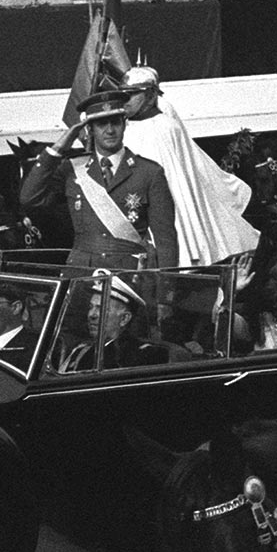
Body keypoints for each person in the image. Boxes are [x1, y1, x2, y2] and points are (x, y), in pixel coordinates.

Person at [20, 89, 178, 272]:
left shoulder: (149, 172)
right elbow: (29, 199)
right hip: (82, 276)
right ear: (90, 129)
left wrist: (165, 297)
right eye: (102, 123)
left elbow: (166, 241)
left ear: (124, 124)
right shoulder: (71, 169)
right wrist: (57, 149)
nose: (110, 130)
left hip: (130, 277)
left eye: (115, 122)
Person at [116, 65, 258, 266]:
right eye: (122, 95)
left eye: (130, 95)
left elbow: (173, 181)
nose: (125, 101)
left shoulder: (165, 128)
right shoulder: (125, 127)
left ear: (149, 95)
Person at [57, 271, 167, 372]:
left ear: (124, 319)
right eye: (91, 307)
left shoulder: (144, 355)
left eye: (101, 308)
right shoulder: (81, 351)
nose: (91, 315)